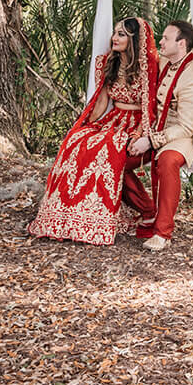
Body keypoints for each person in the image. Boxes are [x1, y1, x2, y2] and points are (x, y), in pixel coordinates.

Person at [28, 16, 159, 245]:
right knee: (78, 142)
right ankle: (71, 218)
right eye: (115, 32)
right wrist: (84, 126)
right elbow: (100, 103)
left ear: (134, 40)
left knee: (109, 152)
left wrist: (143, 135)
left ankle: (146, 210)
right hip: (113, 119)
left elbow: (150, 105)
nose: (114, 38)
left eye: (121, 34)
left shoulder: (147, 65)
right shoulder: (109, 63)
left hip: (138, 122)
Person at [121, 19, 193, 251]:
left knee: (167, 162)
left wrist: (150, 141)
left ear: (182, 43)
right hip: (151, 129)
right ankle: (148, 212)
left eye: (166, 38)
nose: (161, 42)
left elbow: (186, 127)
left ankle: (162, 232)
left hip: (179, 136)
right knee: (117, 160)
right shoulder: (166, 60)